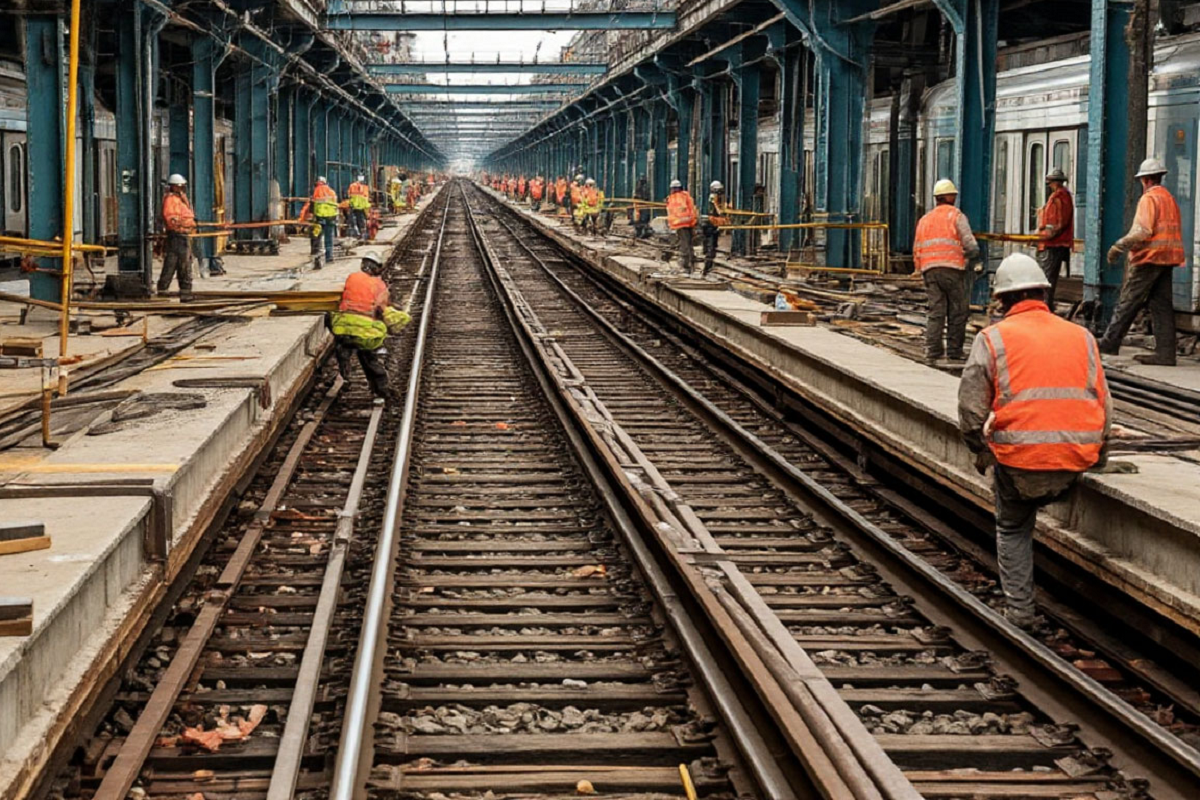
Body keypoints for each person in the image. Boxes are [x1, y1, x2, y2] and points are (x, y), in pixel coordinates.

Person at [959, 253, 1111, 629]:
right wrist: (1099, 455)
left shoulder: (992, 339)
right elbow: (1105, 406)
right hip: (1076, 458)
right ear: (1045, 293)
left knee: (1012, 527)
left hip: (1020, 463)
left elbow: (970, 411)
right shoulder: (1083, 337)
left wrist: (982, 453)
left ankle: (1020, 614)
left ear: (1001, 301)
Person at [1098, 157, 1185, 366]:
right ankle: (1166, 353)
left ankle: (1110, 342)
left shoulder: (1149, 199)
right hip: (1168, 257)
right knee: (1161, 305)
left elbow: (1142, 231)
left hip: (1149, 257)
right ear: (1159, 178)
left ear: (1144, 180)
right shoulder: (1169, 198)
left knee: (1128, 300)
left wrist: (1119, 246)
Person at [913, 178, 979, 364]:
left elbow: (917, 248)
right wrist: (970, 256)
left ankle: (933, 351)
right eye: (954, 195)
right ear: (949, 197)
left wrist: (920, 268)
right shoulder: (956, 216)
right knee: (958, 311)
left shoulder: (925, 220)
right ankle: (954, 351)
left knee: (936, 312)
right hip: (952, 270)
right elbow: (971, 245)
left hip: (930, 271)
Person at [329, 253, 409, 403]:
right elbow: (382, 308)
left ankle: (345, 372)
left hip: (342, 329)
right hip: (364, 333)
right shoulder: (379, 285)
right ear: (377, 269)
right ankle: (383, 388)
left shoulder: (352, 277)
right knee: (368, 354)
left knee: (341, 337)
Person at [1036, 168, 1074, 310]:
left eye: (1050, 182)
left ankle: (1044, 306)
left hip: (1052, 244)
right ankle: (1046, 305)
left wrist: (1042, 235)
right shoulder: (1063, 196)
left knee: (1045, 278)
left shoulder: (1059, 197)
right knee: (1048, 278)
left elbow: (1057, 224)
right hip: (1054, 243)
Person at [160, 173, 196, 299]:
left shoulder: (179, 199)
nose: (182, 189)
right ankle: (181, 290)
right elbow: (171, 218)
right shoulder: (171, 200)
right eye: (181, 187)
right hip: (177, 236)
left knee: (177, 262)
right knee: (180, 263)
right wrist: (183, 224)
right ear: (175, 187)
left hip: (182, 235)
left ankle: (177, 289)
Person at [665, 179, 699, 274]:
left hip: (679, 224)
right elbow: (692, 209)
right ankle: (691, 263)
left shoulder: (672, 198)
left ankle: (685, 266)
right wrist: (694, 222)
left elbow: (672, 211)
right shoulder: (686, 196)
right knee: (689, 243)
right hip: (688, 222)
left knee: (684, 245)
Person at [700, 180, 728, 278]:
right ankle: (706, 270)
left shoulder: (716, 198)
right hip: (710, 225)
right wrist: (722, 213)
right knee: (710, 248)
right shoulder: (713, 197)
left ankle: (708, 268)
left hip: (711, 225)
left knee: (712, 246)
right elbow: (716, 208)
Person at [310, 177, 339, 267]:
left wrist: (312, 216)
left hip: (320, 217)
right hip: (331, 217)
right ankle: (329, 257)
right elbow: (335, 204)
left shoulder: (316, 190)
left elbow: (313, 204)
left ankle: (316, 254)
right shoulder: (331, 191)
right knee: (329, 237)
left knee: (316, 235)